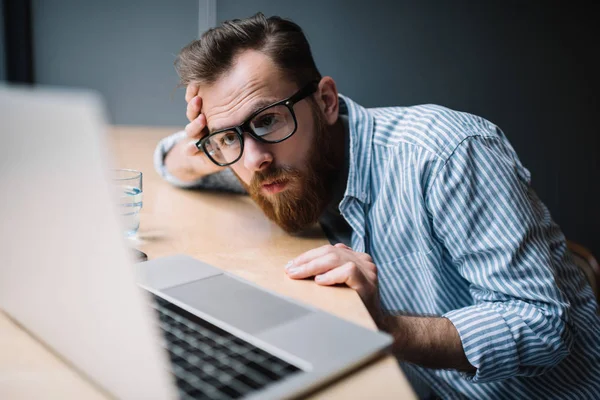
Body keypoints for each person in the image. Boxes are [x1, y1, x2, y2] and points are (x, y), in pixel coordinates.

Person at [154, 13, 600, 399]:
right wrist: (210, 140)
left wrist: (383, 327)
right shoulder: (269, 159)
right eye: (229, 138)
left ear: (326, 102)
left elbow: (541, 327)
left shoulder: (446, 153)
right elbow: (172, 163)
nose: (253, 160)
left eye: (267, 119)